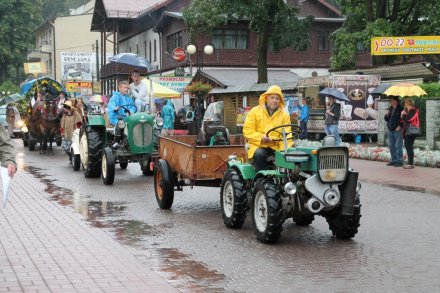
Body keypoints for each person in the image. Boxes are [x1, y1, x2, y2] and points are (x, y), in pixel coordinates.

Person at [243, 85, 292, 172]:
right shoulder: (254, 112)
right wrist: (261, 137)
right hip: (258, 146)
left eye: (277, 98)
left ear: (280, 101)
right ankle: (260, 181)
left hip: (276, 147)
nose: (275, 101)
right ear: (266, 98)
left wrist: (285, 152)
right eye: (272, 98)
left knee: (294, 155)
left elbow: (287, 135)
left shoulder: (285, 115)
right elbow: (247, 131)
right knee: (260, 154)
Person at [384, 96, 404, 167]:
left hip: (397, 129)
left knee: (398, 145)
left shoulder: (401, 108)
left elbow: (403, 118)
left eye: (391, 100)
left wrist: (400, 126)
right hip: (390, 129)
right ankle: (394, 160)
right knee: (391, 145)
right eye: (390, 100)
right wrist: (387, 114)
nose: (390, 102)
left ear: (395, 101)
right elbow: (386, 119)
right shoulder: (391, 108)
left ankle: (400, 161)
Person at [401, 98, 419, 169]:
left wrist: (403, 115)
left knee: (409, 146)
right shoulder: (409, 111)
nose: (404, 105)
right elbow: (404, 121)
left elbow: (408, 119)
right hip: (408, 131)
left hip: (411, 131)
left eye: (405, 103)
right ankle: (410, 163)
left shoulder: (413, 110)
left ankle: (410, 164)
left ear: (408, 104)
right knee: (408, 146)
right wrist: (403, 114)